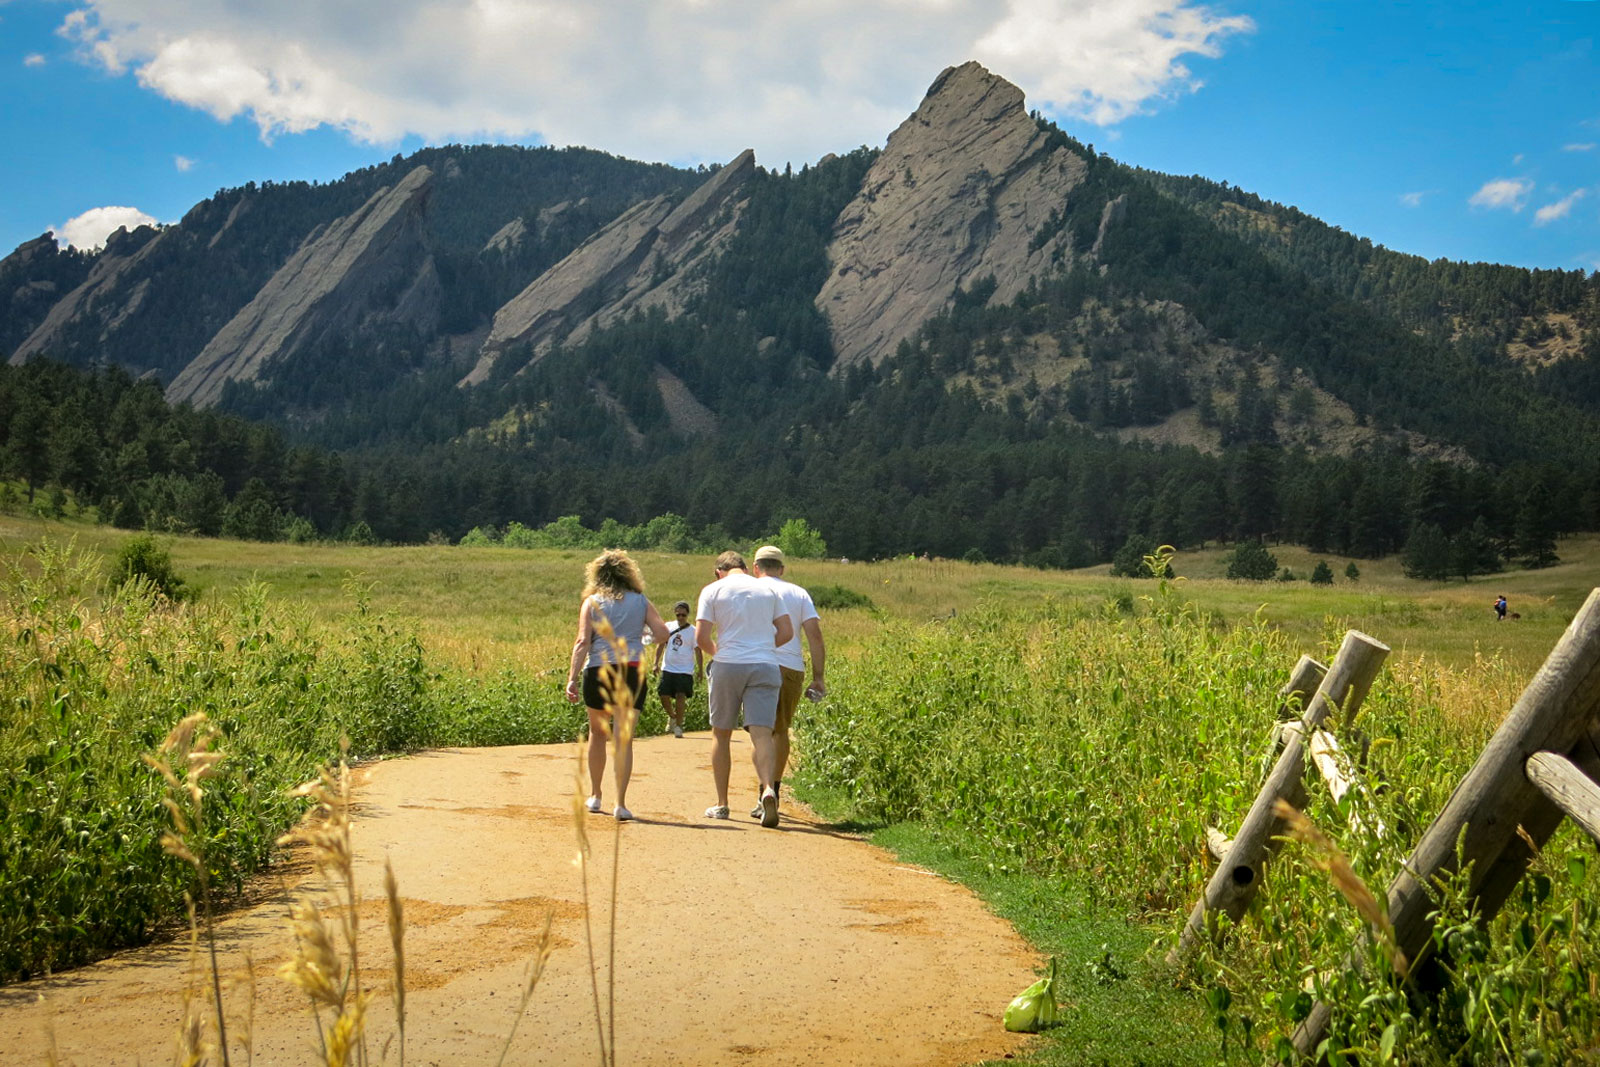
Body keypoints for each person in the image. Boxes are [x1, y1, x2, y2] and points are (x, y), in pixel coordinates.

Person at [565, 549, 668, 822]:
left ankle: (595, 795)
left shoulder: (592, 602)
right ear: (628, 573)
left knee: (597, 734)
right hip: (631, 670)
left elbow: (582, 642)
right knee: (624, 738)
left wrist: (572, 678)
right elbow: (662, 633)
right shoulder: (641, 601)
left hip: (598, 669)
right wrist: (642, 638)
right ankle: (620, 803)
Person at [695, 550, 793, 826]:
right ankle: (768, 790)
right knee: (762, 734)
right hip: (765, 665)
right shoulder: (768, 591)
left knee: (721, 734)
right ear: (746, 569)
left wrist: (719, 653)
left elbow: (701, 637)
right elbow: (787, 632)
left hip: (728, 664)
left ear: (719, 572)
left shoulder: (712, 590)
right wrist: (763, 648)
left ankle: (722, 804)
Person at [750, 546, 826, 821]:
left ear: (755, 568)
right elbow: (814, 636)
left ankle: (764, 791)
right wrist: (818, 677)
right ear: (781, 568)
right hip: (791, 667)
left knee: (760, 731)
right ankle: (774, 789)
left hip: (756, 663)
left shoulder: (750, 590)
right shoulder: (799, 593)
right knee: (780, 730)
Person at [652, 600, 703, 738]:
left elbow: (698, 651)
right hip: (668, 668)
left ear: (688, 615)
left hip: (684, 669)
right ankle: (672, 716)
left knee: (681, 696)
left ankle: (679, 726)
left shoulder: (693, 631)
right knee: (663, 695)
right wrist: (655, 663)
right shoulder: (668, 626)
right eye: (678, 615)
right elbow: (660, 645)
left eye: (683, 615)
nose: (680, 617)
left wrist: (700, 670)